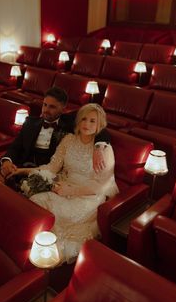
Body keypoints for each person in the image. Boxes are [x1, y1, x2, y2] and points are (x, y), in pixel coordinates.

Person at [9, 103, 119, 263]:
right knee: (36, 201)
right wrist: (23, 171)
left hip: (88, 195)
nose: (87, 124)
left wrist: (71, 191)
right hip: (63, 185)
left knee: (61, 213)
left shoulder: (104, 150)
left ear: (100, 124)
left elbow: (101, 186)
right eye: (84, 119)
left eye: (92, 121)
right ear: (78, 121)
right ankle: (27, 244)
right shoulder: (68, 140)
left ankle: (45, 252)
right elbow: (52, 167)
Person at [0, 86, 110, 185]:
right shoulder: (30, 122)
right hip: (22, 163)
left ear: (63, 108)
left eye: (52, 107)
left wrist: (98, 148)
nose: (46, 110)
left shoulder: (70, 122)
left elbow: (102, 129)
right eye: (45, 105)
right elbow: (15, 147)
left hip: (49, 170)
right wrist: (7, 161)